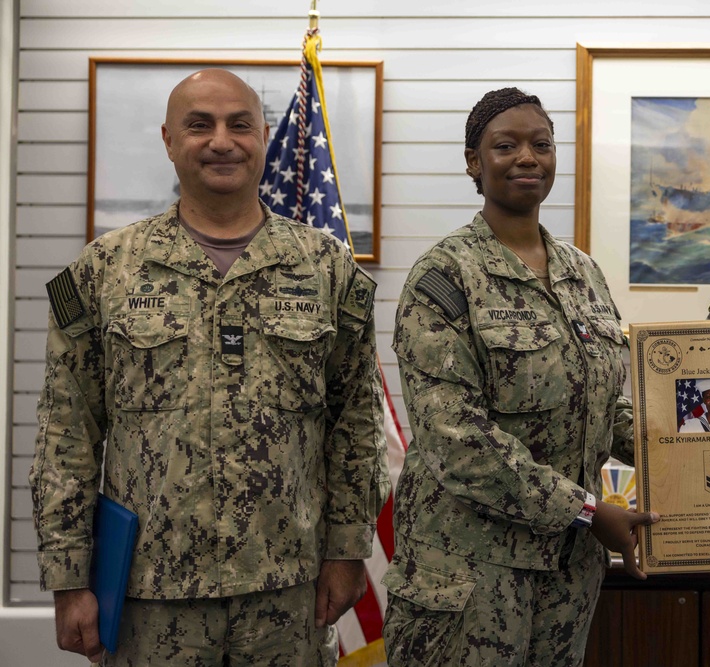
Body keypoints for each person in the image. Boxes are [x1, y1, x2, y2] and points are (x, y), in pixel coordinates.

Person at [29, 68, 389, 666]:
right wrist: (69, 578)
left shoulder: (327, 269)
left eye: (239, 125)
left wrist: (349, 551)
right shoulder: (106, 270)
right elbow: (66, 433)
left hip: (287, 592)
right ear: (168, 140)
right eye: (200, 125)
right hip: (152, 595)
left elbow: (355, 424)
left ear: (264, 137)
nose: (221, 140)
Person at [382, 88, 659, 666]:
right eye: (505, 145)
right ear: (473, 162)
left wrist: (689, 449)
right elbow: (455, 440)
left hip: (566, 573)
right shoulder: (445, 275)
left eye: (541, 144)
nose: (527, 157)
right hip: (469, 575)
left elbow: (605, 410)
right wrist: (588, 510)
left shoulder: (583, 272)